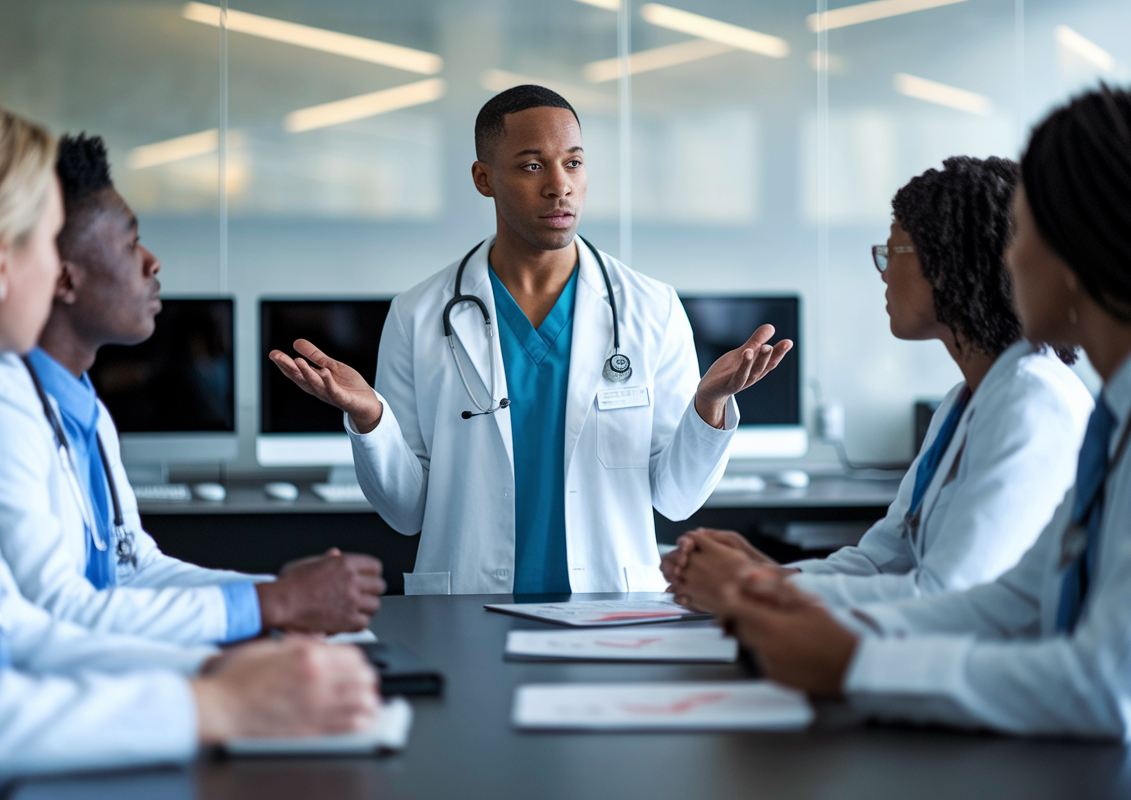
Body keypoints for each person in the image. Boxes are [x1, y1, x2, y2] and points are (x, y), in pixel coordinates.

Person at [0, 98, 377, 790]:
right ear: (2, 266)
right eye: (44, 237)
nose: (151, 263)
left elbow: (14, 630)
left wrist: (217, 671)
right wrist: (211, 700)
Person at [710, 85, 1131, 744]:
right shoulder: (1127, 410)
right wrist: (775, 596)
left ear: (1086, 245)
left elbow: (1110, 686)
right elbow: (1016, 601)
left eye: (1030, 231)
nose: (1010, 256)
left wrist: (856, 662)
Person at [270, 85, 793, 595]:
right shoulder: (417, 314)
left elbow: (675, 498)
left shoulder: (652, 308)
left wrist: (709, 405)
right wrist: (370, 419)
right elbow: (407, 512)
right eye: (532, 165)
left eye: (574, 162)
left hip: (610, 605)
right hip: (468, 601)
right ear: (484, 178)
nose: (559, 186)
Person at [0, 133, 385, 646]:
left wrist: (285, 596)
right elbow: (51, 608)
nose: (152, 262)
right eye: (129, 242)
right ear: (63, 278)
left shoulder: (80, 401)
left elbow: (134, 569)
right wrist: (276, 603)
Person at [664, 157, 1093, 611]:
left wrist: (751, 589)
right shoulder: (963, 402)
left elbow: (947, 596)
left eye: (892, 253)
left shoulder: (1032, 404)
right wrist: (764, 574)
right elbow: (880, 561)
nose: (883, 272)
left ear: (948, 261)